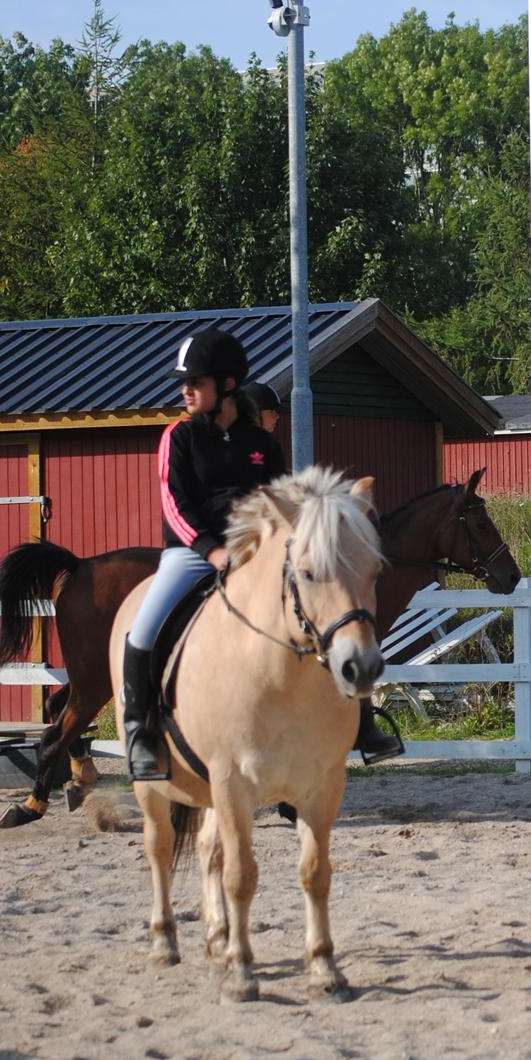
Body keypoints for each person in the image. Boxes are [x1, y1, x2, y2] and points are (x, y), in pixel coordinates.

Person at [122, 328, 401, 778]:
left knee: (326, 612)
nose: (185, 390)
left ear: (227, 386)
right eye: (185, 382)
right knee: (144, 628)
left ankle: (363, 723)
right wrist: (210, 551)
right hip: (192, 554)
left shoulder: (262, 446)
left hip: (256, 553)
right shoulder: (179, 437)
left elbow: (285, 498)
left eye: (196, 382)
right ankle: (141, 732)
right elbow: (174, 505)